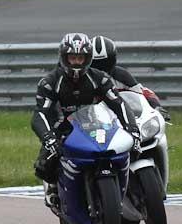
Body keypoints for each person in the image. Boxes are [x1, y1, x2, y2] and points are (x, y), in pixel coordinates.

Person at [32, 32, 140, 208]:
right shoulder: (50, 82)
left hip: (92, 123)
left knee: (127, 149)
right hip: (61, 128)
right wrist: (48, 138)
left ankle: (121, 190)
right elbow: (40, 114)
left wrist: (132, 129)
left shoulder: (100, 78)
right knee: (44, 165)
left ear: (88, 58)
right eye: (72, 58)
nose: (76, 62)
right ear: (64, 58)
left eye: (80, 58)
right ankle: (53, 188)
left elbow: (118, 104)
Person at [90, 35, 170, 121]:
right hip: (90, 119)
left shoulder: (121, 75)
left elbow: (143, 92)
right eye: (95, 64)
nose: (100, 68)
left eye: (104, 63)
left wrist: (156, 107)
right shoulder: (81, 78)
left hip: (119, 118)